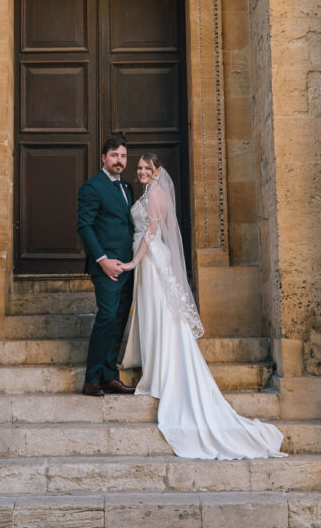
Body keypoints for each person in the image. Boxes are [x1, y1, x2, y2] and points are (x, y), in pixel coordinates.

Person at [121, 152, 286, 460]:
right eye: (140, 168)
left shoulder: (155, 194)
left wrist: (133, 261)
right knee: (155, 317)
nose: (142, 172)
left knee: (159, 316)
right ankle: (156, 368)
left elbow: (151, 232)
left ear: (157, 171)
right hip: (152, 262)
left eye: (147, 168)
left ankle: (160, 373)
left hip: (152, 263)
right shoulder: (149, 192)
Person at [77, 137, 136, 397]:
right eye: (114, 155)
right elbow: (84, 226)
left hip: (128, 266)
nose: (119, 160)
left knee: (120, 319)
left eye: (123, 155)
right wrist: (102, 260)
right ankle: (92, 379)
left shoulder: (127, 187)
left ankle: (110, 376)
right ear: (104, 158)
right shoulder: (92, 187)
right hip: (106, 267)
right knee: (107, 317)